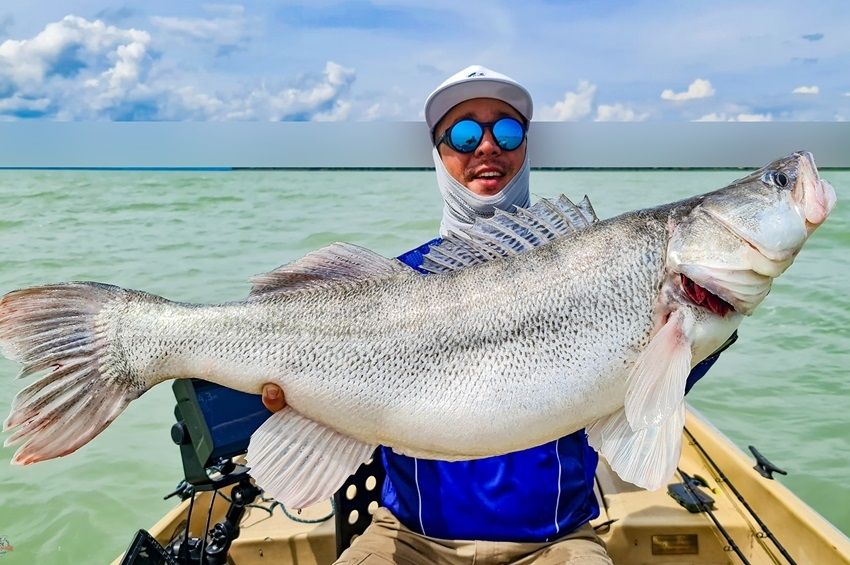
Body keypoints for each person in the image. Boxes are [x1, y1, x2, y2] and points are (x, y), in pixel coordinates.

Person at [260, 65, 735, 564]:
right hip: (408, 538)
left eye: (506, 131)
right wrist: (300, 401)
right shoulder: (395, 280)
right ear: (439, 155)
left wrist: (710, 319)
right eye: (464, 134)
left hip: (556, 541)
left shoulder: (602, 265)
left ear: (526, 148)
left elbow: (648, 397)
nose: (487, 147)